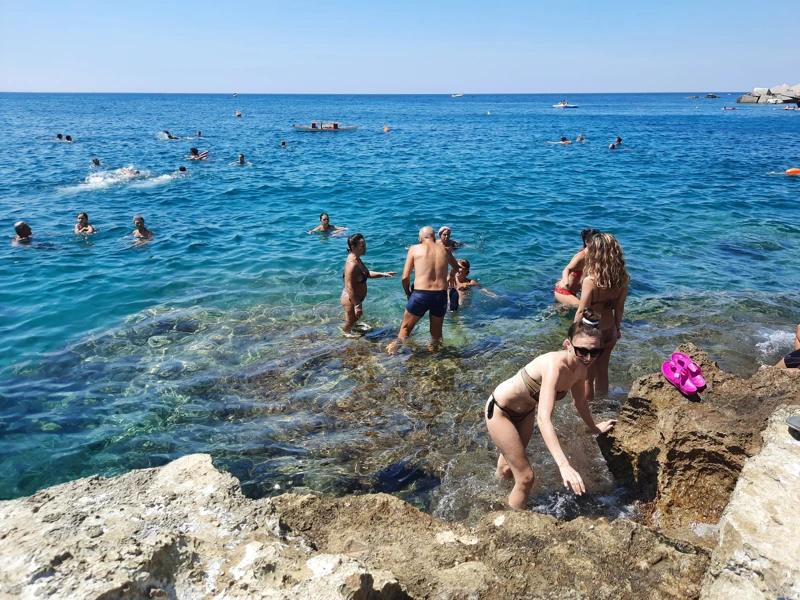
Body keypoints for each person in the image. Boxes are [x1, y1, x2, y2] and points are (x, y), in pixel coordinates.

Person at [485, 308, 616, 509]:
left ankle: (493, 502)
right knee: (526, 478)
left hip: (525, 412)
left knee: (505, 470)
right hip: (500, 411)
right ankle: (510, 528)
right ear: (568, 345)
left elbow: (580, 402)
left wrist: (594, 427)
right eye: (582, 351)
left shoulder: (581, 369)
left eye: (595, 352)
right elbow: (544, 419)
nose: (588, 358)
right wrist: (564, 465)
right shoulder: (554, 366)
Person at [386, 226, 460, 353]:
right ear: (435, 237)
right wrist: (452, 276)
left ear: (420, 239)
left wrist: (408, 293)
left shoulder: (414, 249)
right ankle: (436, 354)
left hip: (421, 294)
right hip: (441, 295)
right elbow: (456, 267)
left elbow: (405, 277)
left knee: (405, 329)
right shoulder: (445, 250)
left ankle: (393, 355)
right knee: (436, 334)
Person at [574, 233, 629, 401]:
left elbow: (581, 311)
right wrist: (617, 329)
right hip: (610, 329)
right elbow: (619, 308)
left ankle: (588, 412)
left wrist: (572, 335)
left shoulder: (590, 281)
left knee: (587, 377)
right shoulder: (624, 279)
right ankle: (602, 407)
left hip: (592, 333)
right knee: (603, 372)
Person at [340, 233, 397, 336]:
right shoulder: (351, 265)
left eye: (365, 245)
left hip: (356, 299)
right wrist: (357, 305)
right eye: (362, 246)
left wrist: (383, 274)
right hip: (351, 300)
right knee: (349, 324)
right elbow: (349, 287)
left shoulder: (357, 260)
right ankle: (344, 341)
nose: (365, 248)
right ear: (353, 247)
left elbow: (367, 273)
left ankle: (351, 336)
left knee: (354, 321)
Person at [554, 228, 601, 307]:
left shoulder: (594, 257)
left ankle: (556, 308)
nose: (599, 243)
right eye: (596, 241)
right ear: (587, 242)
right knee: (585, 308)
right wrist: (566, 283)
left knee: (565, 315)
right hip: (563, 291)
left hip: (574, 293)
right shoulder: (580, 256)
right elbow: (566, 269)